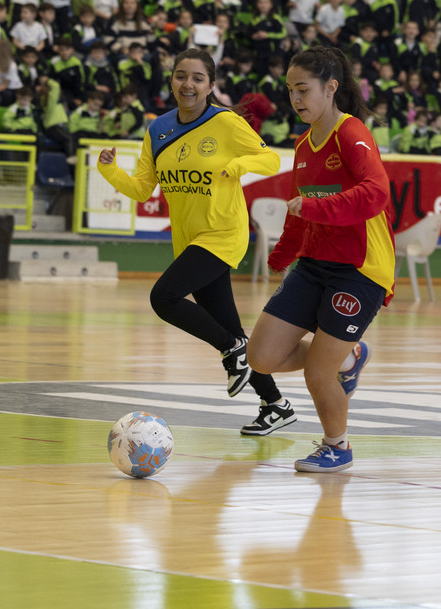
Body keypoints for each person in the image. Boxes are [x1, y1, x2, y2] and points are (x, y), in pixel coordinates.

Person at [97, 49, 299, 436]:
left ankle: (232, 351)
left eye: (197, 78)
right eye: (180, 76)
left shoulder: (225, 121)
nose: (187, 84)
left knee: (164, 298)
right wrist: (109, 170)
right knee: (227, 325)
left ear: (210, 85)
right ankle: (275, 404)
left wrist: (239, 165)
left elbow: (270, 160)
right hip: (189, 239)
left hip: (223, 233)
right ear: (171, 81)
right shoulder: (158, 129)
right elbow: (143, 189)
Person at [247, 47, 395, 473]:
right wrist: (283, 254)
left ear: (331, 88)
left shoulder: (352, 134)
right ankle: (349, 357)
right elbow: (300, 205)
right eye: (290, 90)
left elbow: (375, 194)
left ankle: (338, 446)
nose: (296, 98)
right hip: (314, 262)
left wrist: (313, 210)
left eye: (304, 89)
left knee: (317, 374)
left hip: (360, 269)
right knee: (262, 357)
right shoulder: (302, 144)